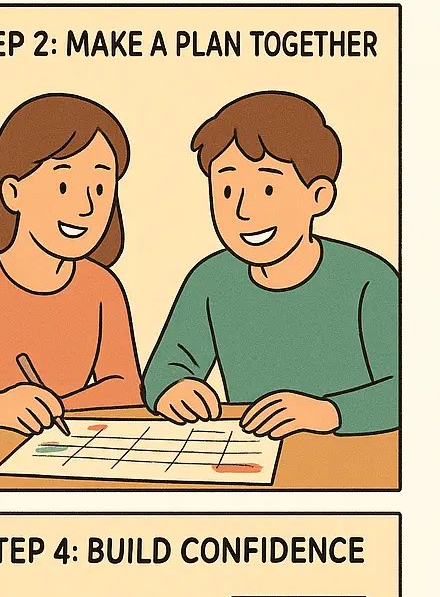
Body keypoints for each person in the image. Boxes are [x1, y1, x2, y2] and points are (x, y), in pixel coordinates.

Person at [143, 91, 398, 438]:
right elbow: (166, 367)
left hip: (355, 459)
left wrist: (330, 412)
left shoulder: (370, 281)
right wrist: (173, 389)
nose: (244, 212)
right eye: (228, 190)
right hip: (251, 459)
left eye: (267, 189)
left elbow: (412, 388)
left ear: (318, 197)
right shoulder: (211, 280)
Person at [0, 93, 142, 432]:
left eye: (99, 187)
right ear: (12, 192)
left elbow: (125, 387)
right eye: (63, 186)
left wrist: (57, 407)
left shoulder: (101, 287)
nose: (85, 206)